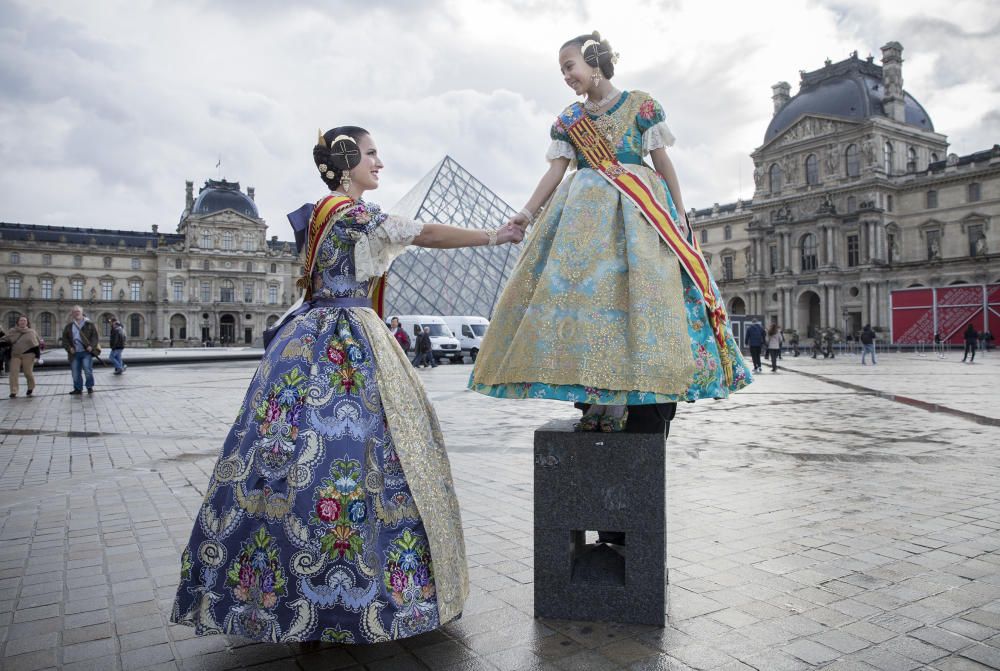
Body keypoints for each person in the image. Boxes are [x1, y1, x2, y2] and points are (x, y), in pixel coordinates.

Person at [170, 125, 522, 644]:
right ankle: (366, 598)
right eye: (372, 154)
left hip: (311, 337)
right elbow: (422, 232)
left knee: (287, 458)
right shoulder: (350, 212)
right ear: (347, 159)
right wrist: (496, 235)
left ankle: (273, 592)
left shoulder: (321, 214)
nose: (380, 163)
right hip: (349, 337)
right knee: (366, 455)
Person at [469, 31, 751, 432]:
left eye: (570, 66)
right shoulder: (570, 119)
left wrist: (680, 214)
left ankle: (625, 397)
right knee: (589, 312)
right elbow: (556, 171)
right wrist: (526, 214)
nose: (566, 76)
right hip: (582, 224)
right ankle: (596, 396)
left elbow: (663, 162)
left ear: (594, 62)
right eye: (562, 70)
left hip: (638, 217)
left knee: (634, 305)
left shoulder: (641, 105)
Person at [62, 305, 99, 395]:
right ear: (72, 314)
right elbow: (65, 339)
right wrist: (69, 348)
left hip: (86, 352)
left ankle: (89, 386)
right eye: (74, 311)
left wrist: (91, 346)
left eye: (78, 311)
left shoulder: (89, 324)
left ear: (82, 312)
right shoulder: (69, 326)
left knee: (87, 370)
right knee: (75, 372)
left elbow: (95, 337)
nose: (76, 313)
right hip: (74, 353)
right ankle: (78, 388)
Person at [2, 316, 40, 398]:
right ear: (18, 322)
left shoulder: (31, 332)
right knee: (13, 372)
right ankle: (14, 391)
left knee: (28, 373)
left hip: (29, 355)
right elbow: (6, 341)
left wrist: (38, 356)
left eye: (24, 320)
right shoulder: (13, 331)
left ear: (27, 322)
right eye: (21, 320)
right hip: (15, 355)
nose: (23, 322)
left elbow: (36, 345)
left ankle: (31, 387)